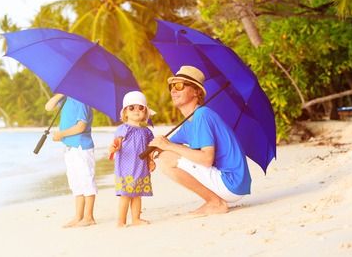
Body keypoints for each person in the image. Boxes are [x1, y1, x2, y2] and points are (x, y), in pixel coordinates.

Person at [149, 66, 252, 216]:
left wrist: (168, 146)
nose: (173, 90)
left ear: (196, 91)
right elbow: (164, 146)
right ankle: (214, 201)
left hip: (231, 182)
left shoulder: (202, 115)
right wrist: (151, 154)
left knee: (166, 160)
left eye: (179, 86)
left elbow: (206, 159)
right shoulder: (190, 122)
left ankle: (215, 203)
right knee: (165, 154)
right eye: (172, 86)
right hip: (231, 183)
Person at [45, 93, 97, 228]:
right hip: (70, 148)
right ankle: (78, 217)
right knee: (76, 183)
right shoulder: (67, 98)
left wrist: (61, 134)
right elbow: (49, 107)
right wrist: (61, 93)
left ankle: (89, 216)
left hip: (81, 148)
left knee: (86, 181)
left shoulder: (83, 100)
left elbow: (81, 126)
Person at [108, 91, 156, 227]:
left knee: (137, 194)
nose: (136, 110)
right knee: (126, 194)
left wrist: (151, 160)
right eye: (132, 108)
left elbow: (150, 149)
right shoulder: (123, 128)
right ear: (125, 112)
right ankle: (121, 221)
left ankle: (136, 219)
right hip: (125, 167)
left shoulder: (147, 131)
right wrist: (113, 148)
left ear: (145, 112)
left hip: (141, 167)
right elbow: (116, 144)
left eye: (141, 108)